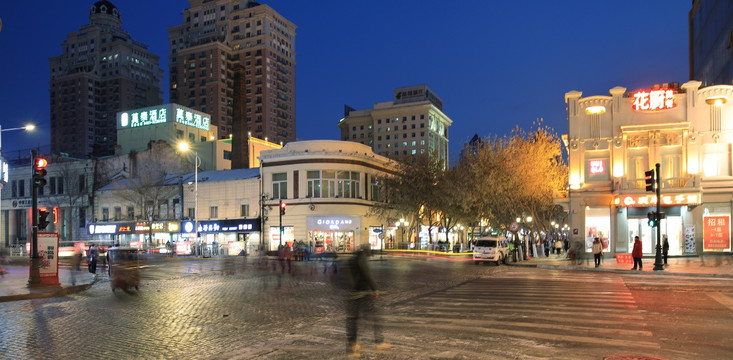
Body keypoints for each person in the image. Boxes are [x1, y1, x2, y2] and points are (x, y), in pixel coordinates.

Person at [346, 244, 389, 358]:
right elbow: (367, 274)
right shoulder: (362, 259)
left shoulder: (351, 259)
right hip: (363, 294)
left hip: (351, 294)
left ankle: (352, 346)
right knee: (375, 317)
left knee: (353, 320)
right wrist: (375, 289)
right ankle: (379, 342)